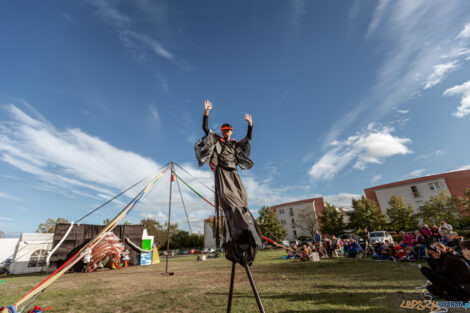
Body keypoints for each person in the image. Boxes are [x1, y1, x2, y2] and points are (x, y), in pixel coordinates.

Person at [195, 100, 262, 266]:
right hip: (222, 172)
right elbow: (205, 130)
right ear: (222, 131)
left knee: (243, 198)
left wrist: (250, 125)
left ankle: (245, 227)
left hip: (234, 173)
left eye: (228, 130)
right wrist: (206, 113)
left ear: (231, 132)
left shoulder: (234, 144)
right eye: (224, 130)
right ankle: (235, 227)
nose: (226, 132)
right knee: (229, 198)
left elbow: (249, 139)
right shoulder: (217, 140)